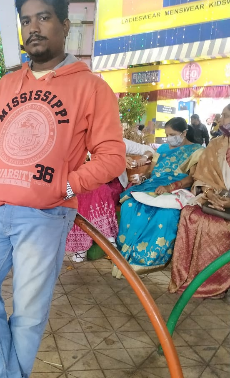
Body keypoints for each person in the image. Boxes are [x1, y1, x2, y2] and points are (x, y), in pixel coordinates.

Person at [0, 0, 126, 378]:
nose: (33, 27)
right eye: (26, 20)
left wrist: (64, 187)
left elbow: (112, 157)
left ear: (65, 25)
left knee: (29, 315)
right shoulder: (6, 85)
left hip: (45, 215)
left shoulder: (92, 88)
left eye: (44, 17)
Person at [113, 117, 204, 278]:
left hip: (176, 188)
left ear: (184, 133)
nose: (169, 138)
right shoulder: (162, 148)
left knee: (165, 213)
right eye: (167, 134)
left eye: (172, 134)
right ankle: (127, 253)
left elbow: (192, 178)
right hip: (152, 185)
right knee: (130, 205)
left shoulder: (197, 150)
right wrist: (142, 177)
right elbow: (150, 172)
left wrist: (170, 187)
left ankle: (147, 259)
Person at [169, 105, 230, 298]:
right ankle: (192, 279)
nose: (221, 120)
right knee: (190, 214)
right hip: (215, 197)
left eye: (226, 116)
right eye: (222, 115)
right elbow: (203, 176)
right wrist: (210, 193)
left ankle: (217, 283)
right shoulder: (216, 144)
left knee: (217, 226)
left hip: (227, 204)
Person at [68, 138, 154, 262]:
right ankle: (85, 245)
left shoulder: (121, 142)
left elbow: (149, 150)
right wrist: (120, 160)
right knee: (84, 192)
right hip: (93, 183)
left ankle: (107, 237)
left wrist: (142, 159)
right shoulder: (89, 142)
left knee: (99, 189)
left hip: (113, 186)